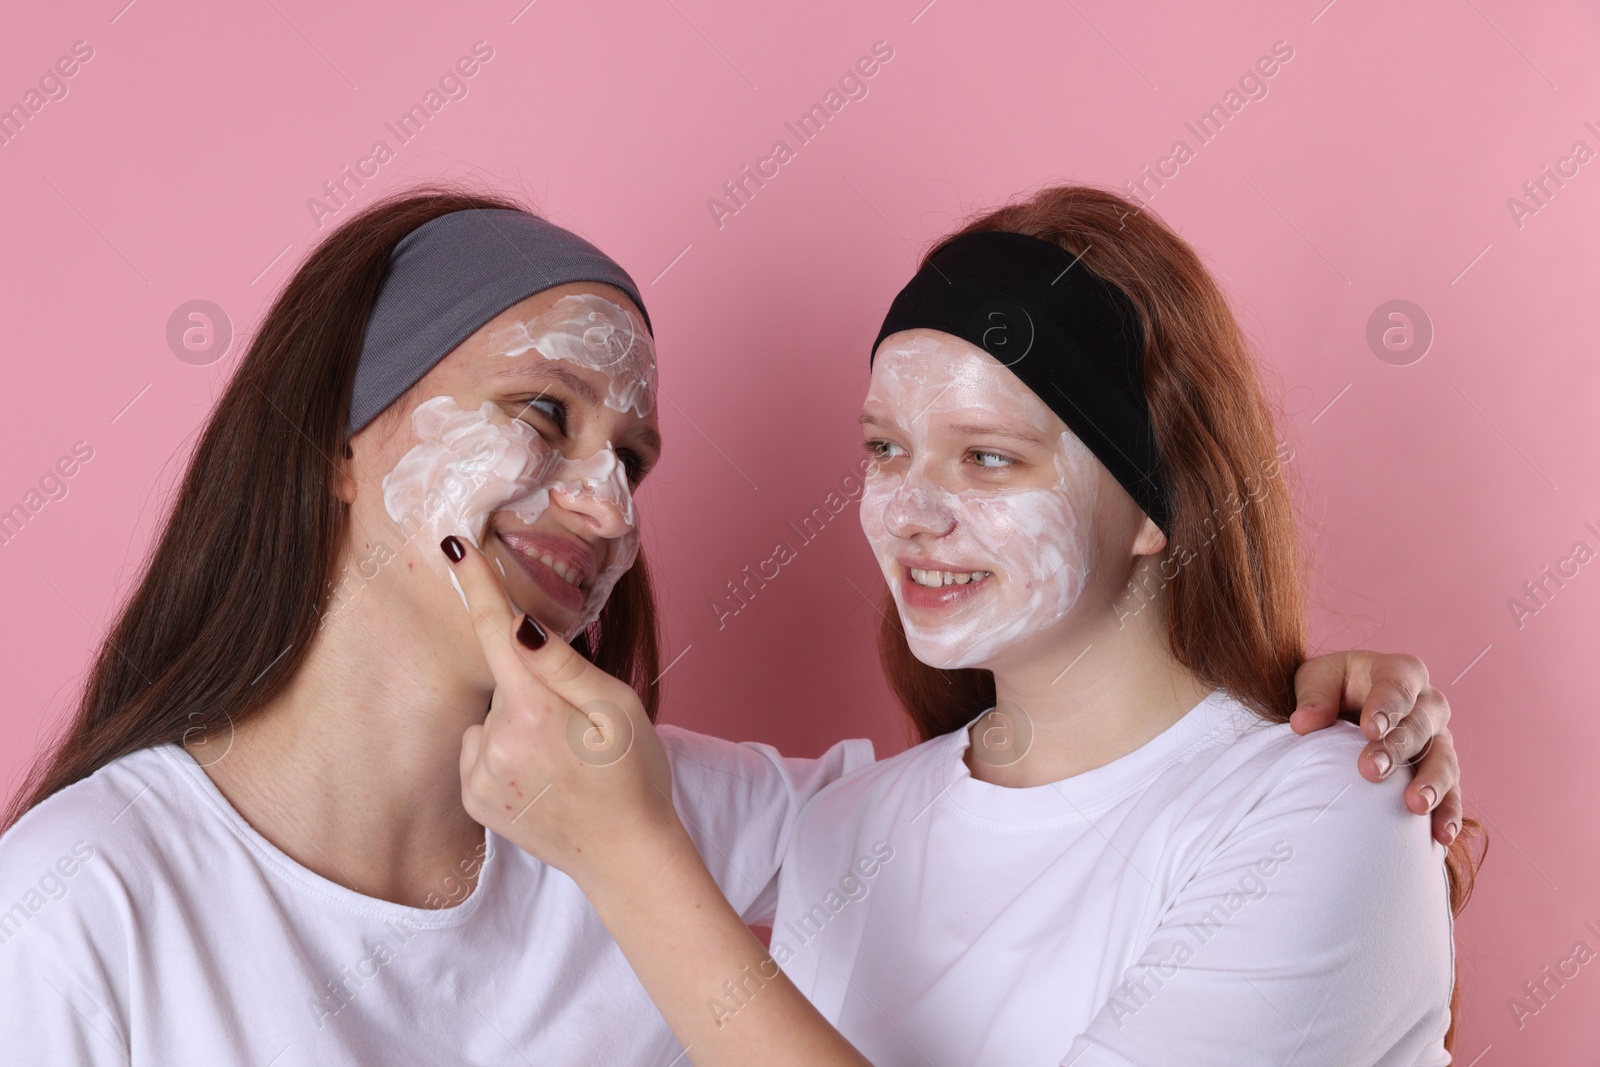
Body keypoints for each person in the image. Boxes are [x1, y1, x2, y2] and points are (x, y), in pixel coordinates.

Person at [0, 186, 1460, 1065]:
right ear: (333, 436)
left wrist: (1299, 692)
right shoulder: (77, 910)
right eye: (541, 411)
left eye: (631, 455)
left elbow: (1080, 788)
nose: (604, 500)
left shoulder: (648, 820)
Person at [455, 185, 1481, 1065]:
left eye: (987, 457)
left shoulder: (1330, 812)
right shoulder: (842, 828)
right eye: (884, 448)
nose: (907, 510)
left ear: (1156, 504)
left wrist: (629, 861)